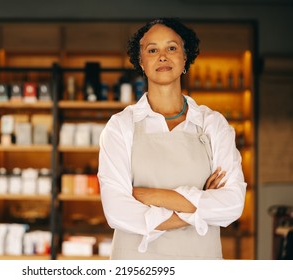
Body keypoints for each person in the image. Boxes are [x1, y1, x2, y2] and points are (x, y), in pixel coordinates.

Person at [97, 18, 247, 259]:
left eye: (172, 48)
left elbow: (232, 204)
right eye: (152, 50)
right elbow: (117, 211)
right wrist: (201, 206)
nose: (163, 56)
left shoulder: (212, 124)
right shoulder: (120, 126)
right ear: (141, 62)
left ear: (185, 58)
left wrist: (154, 196)